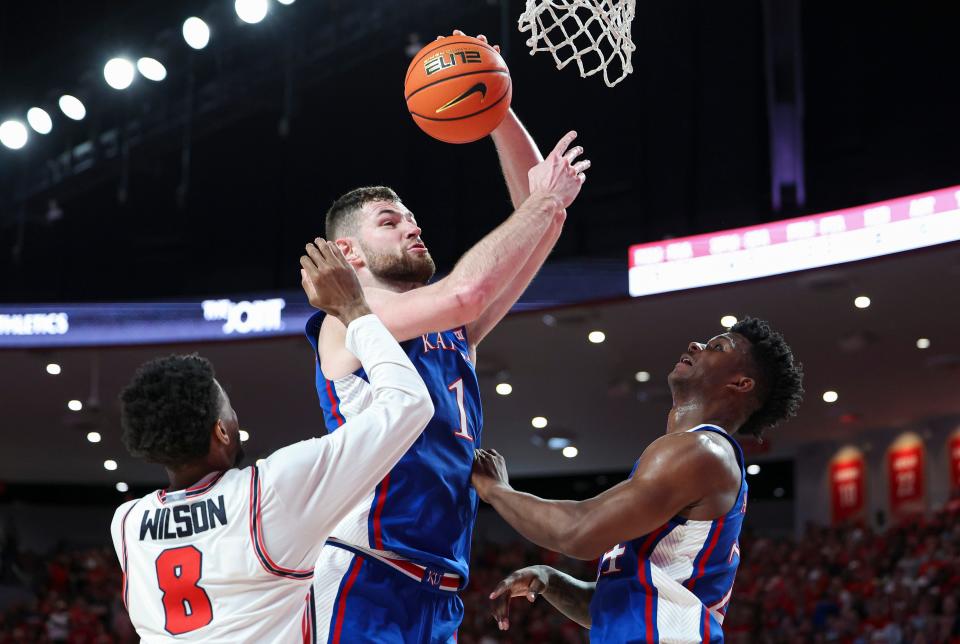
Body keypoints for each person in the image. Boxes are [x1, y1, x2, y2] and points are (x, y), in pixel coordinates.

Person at [302, 30, 590, 643]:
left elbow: (541, 227)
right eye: (389, 221)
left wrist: (496, 104)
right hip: (365, 574)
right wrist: (541, 205)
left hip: (440, 589)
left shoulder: (450, 332)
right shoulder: (346, 323)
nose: (410, 227)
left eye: (411, 217)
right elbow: (469, 289)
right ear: (348, 251)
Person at [109, 241, 434, 642]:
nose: (234, 415)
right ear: (221, 431)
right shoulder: (271, 491)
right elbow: (409, 403)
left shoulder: (127, 523)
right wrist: (353, 308)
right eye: (228, 408)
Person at [472, 317, 804, 643]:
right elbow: (622, 602)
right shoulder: (691, 457)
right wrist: (548, 580)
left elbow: (578, 532)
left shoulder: (703, 450)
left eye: (716, 347)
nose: (696, 345)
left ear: (741, 383)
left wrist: (496, 490)